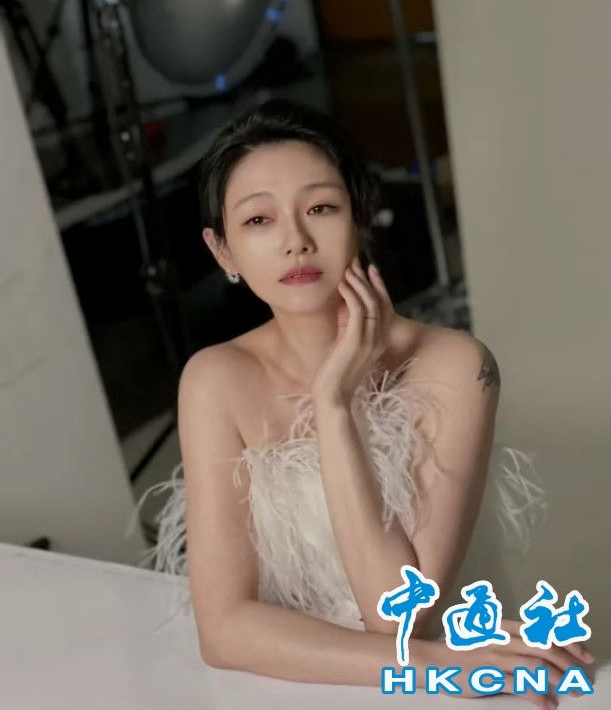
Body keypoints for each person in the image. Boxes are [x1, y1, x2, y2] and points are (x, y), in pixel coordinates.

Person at [132, 99, 592, 706]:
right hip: (304, 680)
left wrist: (334, 407)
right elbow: (223, 630)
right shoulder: (215, 379)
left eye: (321, 208)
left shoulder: (455, 364)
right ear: (223, 252)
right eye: (259, 220)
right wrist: (433, 663)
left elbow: (397, 618)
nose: (296, 242)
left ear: (361, 215)